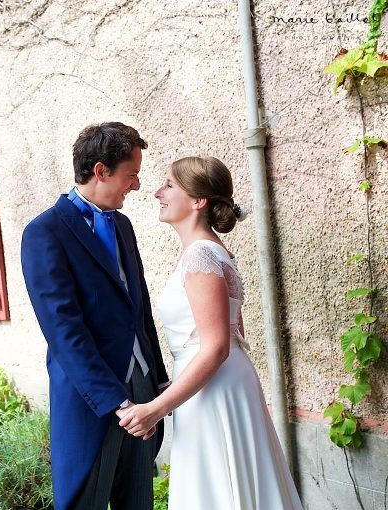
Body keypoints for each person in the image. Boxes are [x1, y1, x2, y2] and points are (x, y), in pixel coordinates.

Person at [119, 156, 303, 509]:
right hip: (216, 382)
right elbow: (233, 336)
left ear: (198, 200)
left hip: (213, 388)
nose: (158, 192)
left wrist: (155, 409)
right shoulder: (213, 252)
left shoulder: (200, 256)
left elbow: (217, 346)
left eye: (169, 185)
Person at [21, 122, 169, 510]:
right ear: (101, 171)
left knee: (138, 502)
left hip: (141, 387)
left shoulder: (122, 225)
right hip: (93, 399)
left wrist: (157, 379)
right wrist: (117, 403)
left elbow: (140, 310)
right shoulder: (44, 233)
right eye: (131, 174)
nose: (137, 185)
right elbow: (64, 331)